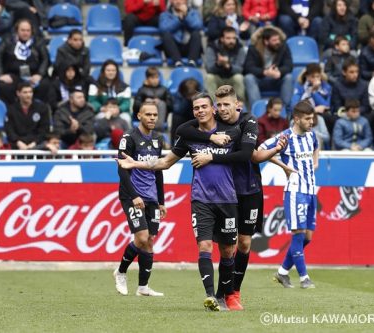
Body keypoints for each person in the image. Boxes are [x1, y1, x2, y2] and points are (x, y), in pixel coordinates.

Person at [118, 92, 242, 311]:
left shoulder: (230, 131)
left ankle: (224, 295)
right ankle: (211, 296)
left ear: (213, 109)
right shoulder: (189, 136)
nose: (200, 111)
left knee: (228, 250)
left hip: (228, 199)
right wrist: (135, 164)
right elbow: (165, 162)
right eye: (196, 108)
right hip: (201, 199)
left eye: (204, 106)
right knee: (204, 246)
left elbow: (246, 152)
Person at [175, 86, 287, 310]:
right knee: (227, 245)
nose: (223, 109)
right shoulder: (214, 123)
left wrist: (211, 157)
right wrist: (209, 137)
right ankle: (223, 294)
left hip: (250, 189)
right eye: (220, 104)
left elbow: (249, 155)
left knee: (244, 243)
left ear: (238, 105)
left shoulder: (248, 121)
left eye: (227, 104)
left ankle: (232, 292)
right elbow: (183, 129)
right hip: (228, 192)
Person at [260, 101, 319, 289]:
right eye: (308, 119)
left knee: (307, 237)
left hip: (310, 190)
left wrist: (315, 163)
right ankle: (304, 278)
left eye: (312, 118)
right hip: (295, 191)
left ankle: (282, 272)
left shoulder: (312, 136)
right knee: (298, 234)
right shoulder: (285, 137)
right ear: (297, 119)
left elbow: (316, 148)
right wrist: (284, 167)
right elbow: (262, 149)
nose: (312, 122)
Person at [113, 102, 166, 298]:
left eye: (155, 114)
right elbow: (122, 169)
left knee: (150, 241)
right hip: (132, 195)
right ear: (139, 116)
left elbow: (158, 170)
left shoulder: (158, 139)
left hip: (151, 196)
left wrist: (161, 201)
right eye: (148, 114)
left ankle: (143, 287)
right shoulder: (128, 138)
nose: (152, 118)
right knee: (142, 237)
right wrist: (134, 195)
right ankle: (120, 272)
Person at [0, 19, 51, 106]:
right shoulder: (7, 41)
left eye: (28, 30)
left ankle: (35, 108)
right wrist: (1, 75)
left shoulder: (38, 42)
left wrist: (40, 74)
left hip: (33, 74)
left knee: (46, 85)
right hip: (14, 75)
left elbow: (45, 59)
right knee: (3, 86)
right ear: (17, 31)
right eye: (23, 30)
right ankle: (15, 109)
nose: (25, 33)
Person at [243, 26, 293, 111]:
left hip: (277, 79)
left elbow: (289, 65)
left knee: (288, 77)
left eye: (278, 39)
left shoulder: (283, 47)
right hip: (261, 79)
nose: (278, 42)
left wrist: (280, 72)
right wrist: (265, 72)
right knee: (248, 78)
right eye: (274, 40)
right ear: (266, 41)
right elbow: (248, 67)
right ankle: (258, 110)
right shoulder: (253, 48)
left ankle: (285, 110)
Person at [205, 26, 246, 102]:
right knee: (209, 77)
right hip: (218, 77)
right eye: (228, 38)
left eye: (234, 38)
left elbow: (240, 69)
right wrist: (218, 64)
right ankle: (213, 106)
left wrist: (228, 66)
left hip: (231, 77)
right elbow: (209, 69)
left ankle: (238, 106)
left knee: (239, 77)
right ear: (222, 39)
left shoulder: (240, 48)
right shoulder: (212, 47)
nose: (232, 41)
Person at [4, 82, 50, 150]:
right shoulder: (11, 109)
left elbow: (44, 129)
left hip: (37, 145)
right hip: (17, 145)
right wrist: (18, 142)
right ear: (18, 93)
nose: (28, 95)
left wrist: (34, 143)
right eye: (25, 92)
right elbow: (9, 130)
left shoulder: (42, 108)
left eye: (30, 92)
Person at [158, 0, 203, 67]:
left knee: (196, 34)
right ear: (171, 1)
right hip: (174, 47)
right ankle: (177, 62)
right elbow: (163, 29)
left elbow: (198, 25)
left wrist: (186, 15)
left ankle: (192, 61)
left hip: (189, 46)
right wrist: (179, 19)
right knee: (166, 36)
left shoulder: (194, 12)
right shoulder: (165, 14)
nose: (178, 1)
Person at [132, 67, 173, 132]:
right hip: (145, 118)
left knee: (161, 104)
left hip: (160, 118)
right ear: (147, 79)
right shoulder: (141, 89)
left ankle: (155, 128)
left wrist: (160, 101)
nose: (155, 80)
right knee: (147, 105)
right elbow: (135, 107)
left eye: (157, 77)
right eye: (152, 78)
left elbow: (171, 107)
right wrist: (145, 103)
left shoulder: (164, 90)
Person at [293, 63, 332, 130]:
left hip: (321, 115)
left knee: (329, 117)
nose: (316, 79)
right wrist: (314, 110)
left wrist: (314, 92)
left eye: (318, 76)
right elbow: (294, 105)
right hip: (304, 113)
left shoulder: (326, 86)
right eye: (313, 77)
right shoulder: (300, 86)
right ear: (307, 76)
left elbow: (326, 106)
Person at [170, 78, 201, 143]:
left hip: (195, 115)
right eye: (190, 95)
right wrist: (188, 101)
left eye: (193, 94)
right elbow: (177, 110)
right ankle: (175, 142)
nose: (192, 97)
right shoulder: (178, 94)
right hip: (183, 115)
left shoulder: (201, 94)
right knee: (176, 117)